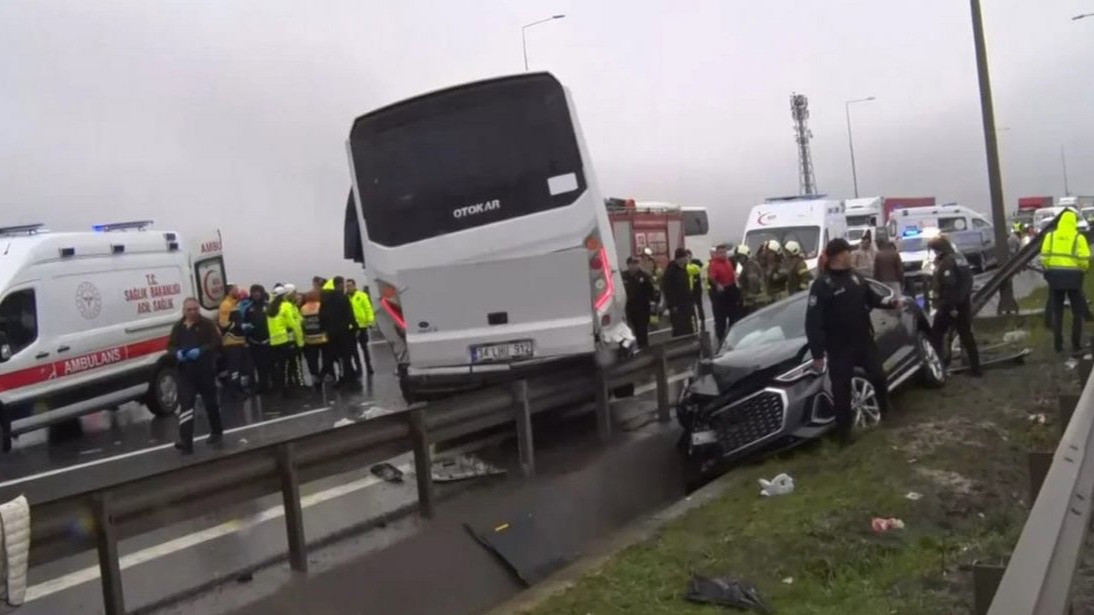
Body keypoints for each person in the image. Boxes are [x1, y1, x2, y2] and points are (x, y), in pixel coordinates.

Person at [805, 238, 902, 447]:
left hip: (863, 340)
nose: (851, 255)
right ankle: (845, 434)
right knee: (841, 390)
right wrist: (817, 354)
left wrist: (890, 302)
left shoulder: (855, 277)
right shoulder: (822, 285)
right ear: (839, 256)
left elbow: (871, 298)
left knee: (878, 375)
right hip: (839, 346)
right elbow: (813, 322)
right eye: (848, 252)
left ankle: (886, 411)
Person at [168, 298, 223, 454]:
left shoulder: (207, 325)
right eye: (189, 309)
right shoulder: (178, 327)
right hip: (185, 372)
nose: (193, 312)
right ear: (184, 311)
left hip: (204, 370)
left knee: (210, 403)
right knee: (186, 406)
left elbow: (216, 342)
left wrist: (201, 350)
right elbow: (171, 346)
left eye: (195, 309)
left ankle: (216, 431)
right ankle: (186, 442)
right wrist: (177, 353)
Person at [928, 236, 981, 376]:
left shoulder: (947, 262)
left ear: (938, 249)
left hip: (950, 304)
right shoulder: (960, 258)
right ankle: (975, 368)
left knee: (937, 335)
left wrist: (951, 307)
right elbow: (968, 280)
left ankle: (939, 365)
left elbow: (949, 285)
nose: (933, 253)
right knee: (966, 335)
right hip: (963, 301)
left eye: (934, 250)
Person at [1040, 208, 1091, 354]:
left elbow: (1044, 257)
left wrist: (1050, 269)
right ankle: (1076, 344)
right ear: (1073, 223)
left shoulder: (1050, 236)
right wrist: (1081, 269)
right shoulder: (1078, 238)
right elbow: (1084, 259)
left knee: (1057, 311)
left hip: (1055, 278)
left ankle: (1058, 345)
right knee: (1077, 312)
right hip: (1074, 278)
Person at [321, 276, 359, 387]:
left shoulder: (326, 299)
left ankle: (341, 375)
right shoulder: (343, 297)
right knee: (345, 355)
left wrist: (324, 329)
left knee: (335, 355)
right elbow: (349, 314)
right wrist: (355, 327)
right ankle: (346, 376)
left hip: (331, 332)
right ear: (340, 284)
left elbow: (322, 315)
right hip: (343, 331)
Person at [622, 256, 656, 348]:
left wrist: (653, 303)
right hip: (628, 308)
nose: (634, 266)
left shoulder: (644, 276)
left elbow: (651, 291)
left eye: (636, 263)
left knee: (641, 331)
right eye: (632, 264)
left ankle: (644, 348)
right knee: (628, 332)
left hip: (642, 308)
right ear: (628, 265)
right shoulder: (623, 276)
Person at [300, 290, 331, 389]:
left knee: (312, 359)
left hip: (309, 338)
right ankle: (324, 374)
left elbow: (302, 323)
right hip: (322, 337)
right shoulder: (320, 306)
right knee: (326, 357)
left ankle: (315, 375)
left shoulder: (303, 308)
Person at [707, 244, 738, 345]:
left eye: (724, 252)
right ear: (716, 254)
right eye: (720, 253)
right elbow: (712, 278)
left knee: (733, 316)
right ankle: (721, 341)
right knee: (721, 320)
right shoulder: (714, 264)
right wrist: (717, 285)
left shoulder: (728, 262)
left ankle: (733, 337)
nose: (723, 254)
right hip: (721, 293)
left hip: (731, 290)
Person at [244, 284, 272, 393]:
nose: (256, 294)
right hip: (254, 342)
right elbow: (245, 324)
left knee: (269, 364)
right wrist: (247, 339)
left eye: (258, 292)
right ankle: (261, 385)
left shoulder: (268, 306)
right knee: (258, 365)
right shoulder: (248, 309)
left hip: (268, 341)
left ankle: (271, 385)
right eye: (253, 292)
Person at [661, 248, 695, 336]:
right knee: (679, 328)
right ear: (679, 258)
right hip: (677, 306)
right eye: (684, 257)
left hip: (686, 304)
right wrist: (673, 305)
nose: (686, 259)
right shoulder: (671, 272)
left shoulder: (684, 269)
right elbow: (668, 290)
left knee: (688, 327)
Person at [346, 279, 376, 376]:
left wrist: (370, 320)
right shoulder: (345, 298)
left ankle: (368, 366)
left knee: (364, 347)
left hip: (362, 325)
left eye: (350, 285)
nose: (349, 288)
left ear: (354, 286)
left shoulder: (362, 295)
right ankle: (358, 368)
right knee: (353, 349)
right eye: (347, 286)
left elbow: (368, 308)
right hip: (351, 327)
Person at [737, 244, 766, 315]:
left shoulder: (750, 265)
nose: (739, 260)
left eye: (740, 257)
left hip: (755, 302)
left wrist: (750, 295)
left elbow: (753, 281)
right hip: (754, 301)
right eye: (737, 258)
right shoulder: (749, 264)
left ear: (746, 256)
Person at [686, 251, 705, 330]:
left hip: (697, 288)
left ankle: (702, 319)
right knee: (692, 307)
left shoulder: (696, 262)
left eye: (689, 256)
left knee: (699, 305)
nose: (688, 258)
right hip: (690, 289)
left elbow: (702, 267)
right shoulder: (685, 265)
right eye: (687, 256)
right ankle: (694, 321)